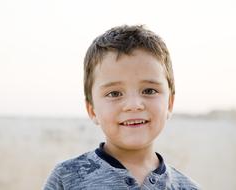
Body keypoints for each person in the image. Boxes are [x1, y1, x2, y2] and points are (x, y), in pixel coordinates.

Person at [43, 25, 200, 189]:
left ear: (169, 104)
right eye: (114, 94)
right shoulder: (67, 177)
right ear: (92, 109)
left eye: (149, 90)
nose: (134, 105)